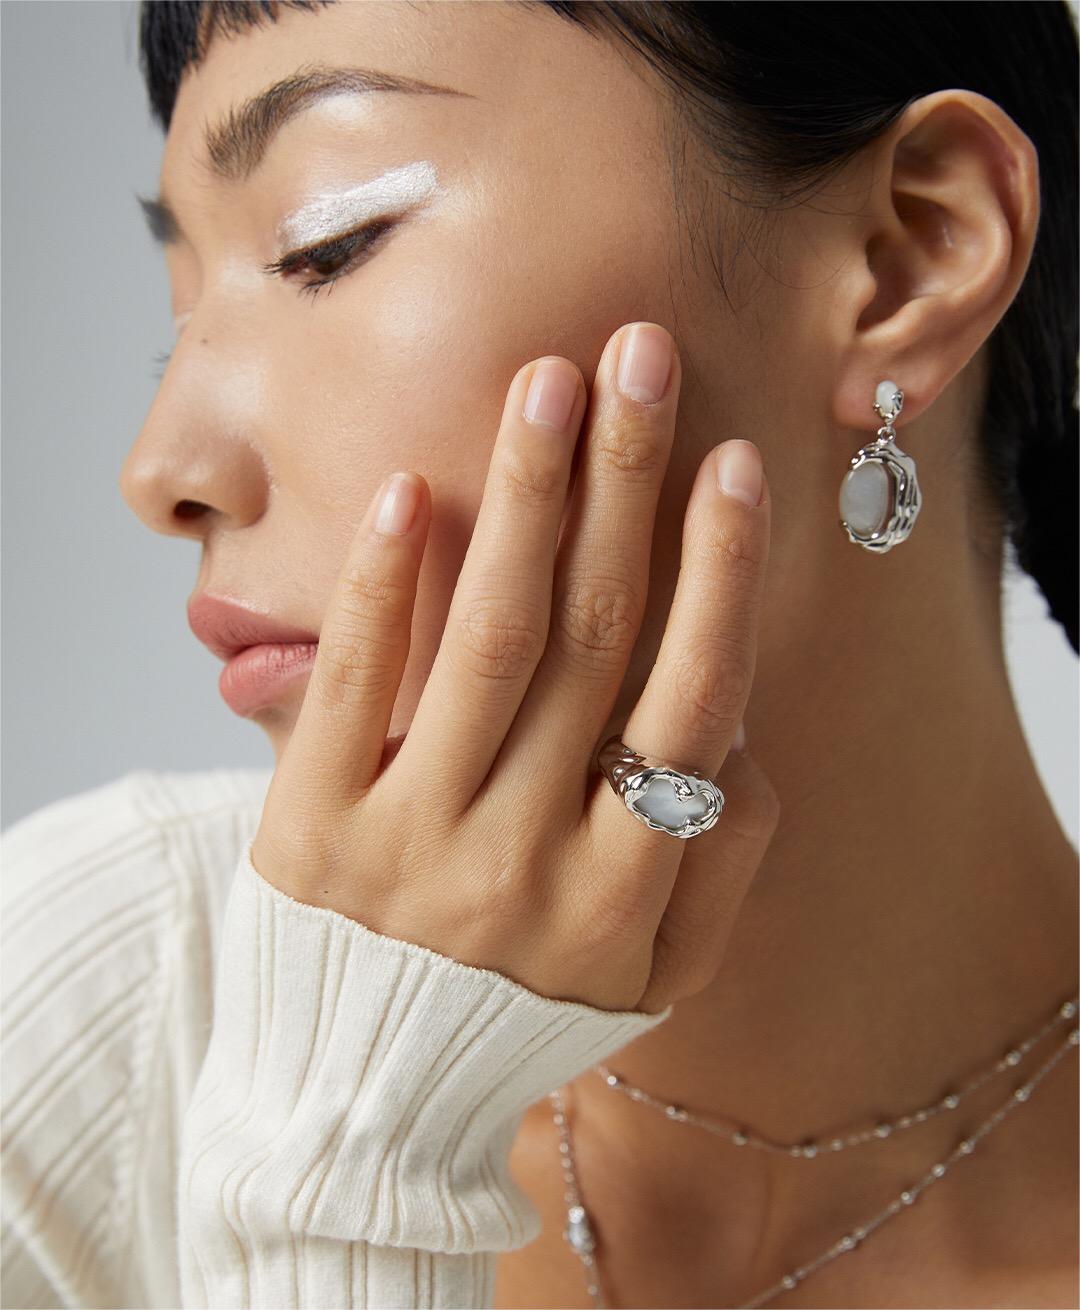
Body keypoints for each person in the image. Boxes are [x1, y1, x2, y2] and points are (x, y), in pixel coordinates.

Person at [3, 2, 1077, 1307]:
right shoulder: (89, 1010)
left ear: (912, 254)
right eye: (182, 314)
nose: (162, 468)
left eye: (324, 247)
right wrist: (351, 1151)